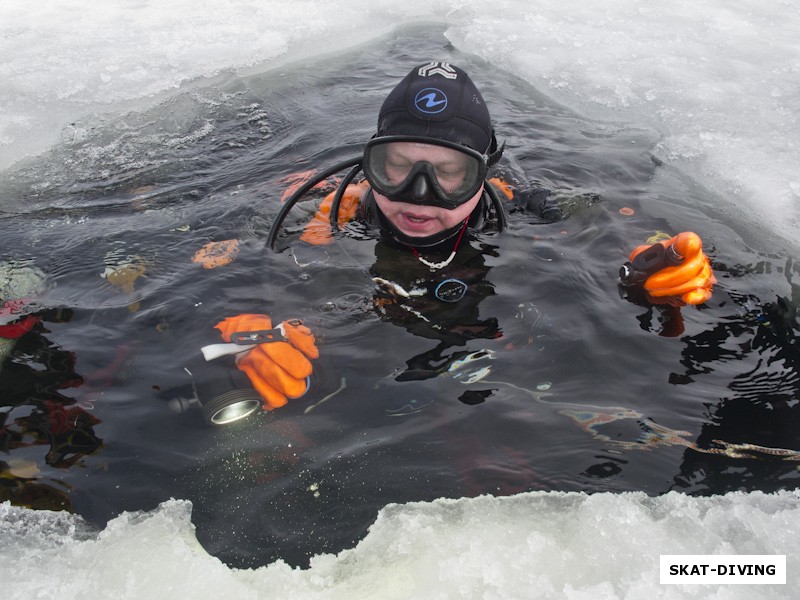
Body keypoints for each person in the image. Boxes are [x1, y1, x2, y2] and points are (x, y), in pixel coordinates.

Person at [192, 62, 716, 424]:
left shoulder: (519, 207)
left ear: (485, 175)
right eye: (395, 167)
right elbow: (211, 271)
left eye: (451, 175)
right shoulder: (319, 216)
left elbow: (604, 223)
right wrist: (235, 329)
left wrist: (641, 275)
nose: (419, 197)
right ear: (368, 164)